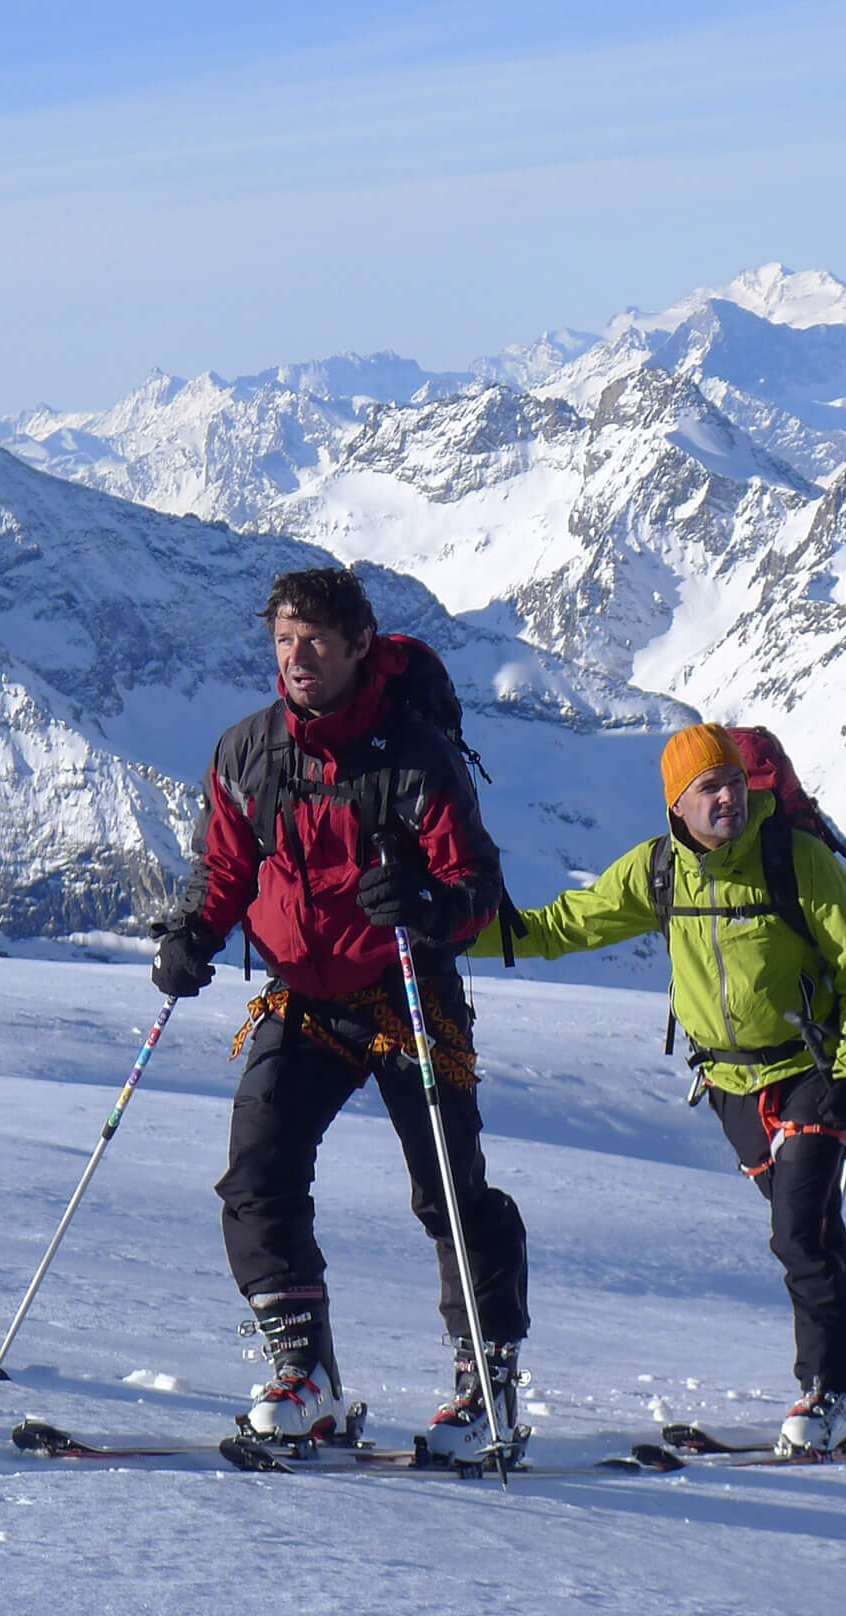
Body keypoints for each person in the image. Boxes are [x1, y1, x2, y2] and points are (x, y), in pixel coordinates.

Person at [150, 565, 528, 1462]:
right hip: (305, 998)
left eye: (316, 639)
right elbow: (226, 867)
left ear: (361, 646)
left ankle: (488, 1386)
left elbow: (476, 884)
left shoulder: (416, 756)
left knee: (449, 1191)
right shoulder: (247, 752)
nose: (297, 656)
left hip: (408, 993)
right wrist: (192, 932)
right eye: (284, 639)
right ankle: (305, 1374)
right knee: (258, 1175)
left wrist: (429, 907)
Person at [465, 725, 846, 1456]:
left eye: (734, 782)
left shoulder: (797, 860)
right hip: (729, 1083)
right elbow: (567, 925)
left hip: (810, 1073)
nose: (728, 798)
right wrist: (457, 934)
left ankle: (834, 1390)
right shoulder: (658, 871)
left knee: (799, 1231)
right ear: (677, 804)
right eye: (709, 788)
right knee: (814, 1231)